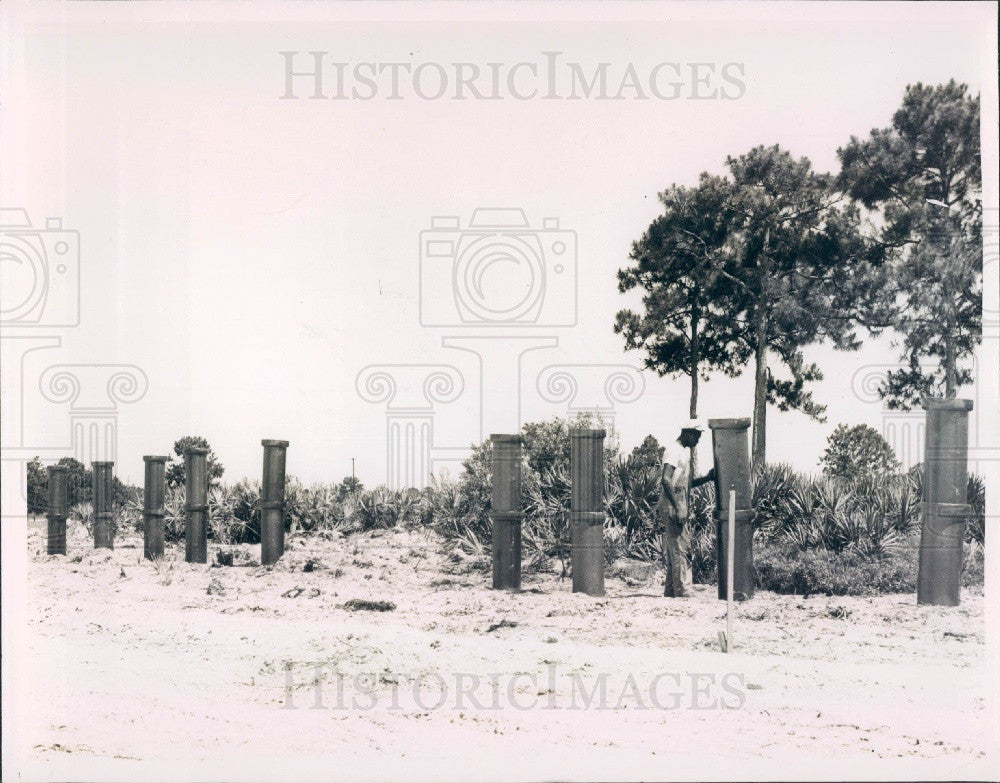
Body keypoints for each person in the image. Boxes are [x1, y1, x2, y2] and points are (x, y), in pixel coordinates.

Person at [655, 421, 715, 598]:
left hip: (678, 504)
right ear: (688, 434)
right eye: (697, 436)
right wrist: (678, 507)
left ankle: (672, 591)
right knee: (681, 550)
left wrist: (707, 478)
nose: (697, 440)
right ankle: (682, 591)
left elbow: (687, 485)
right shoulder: (674, 450)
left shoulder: (683, 452)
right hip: (674, 505)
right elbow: (665, 480)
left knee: (677, 549)